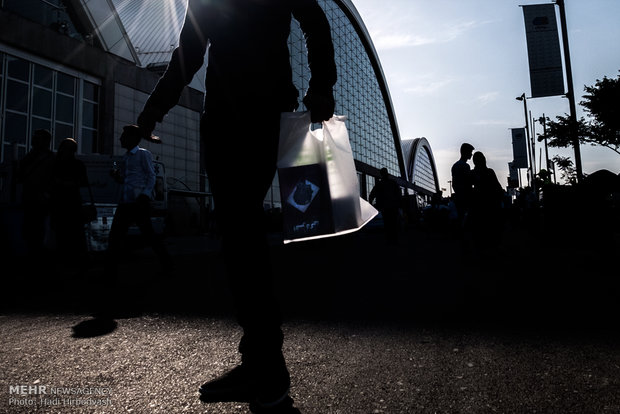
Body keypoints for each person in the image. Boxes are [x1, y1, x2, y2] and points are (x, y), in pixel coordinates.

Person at [134, 1, 336, 412]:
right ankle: (260, 362)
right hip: (246, 118)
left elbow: (189, 54)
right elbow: (189, 51)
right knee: (241, 239)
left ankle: (265, 369)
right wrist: (150, 113)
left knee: (241, 238)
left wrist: (323, 86)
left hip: (244, 119)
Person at [105, 126, 172, 281]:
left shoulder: (143, 154)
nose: (121, 139)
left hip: (138, 203)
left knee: (148, 236)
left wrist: (145, 195)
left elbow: (151, 175)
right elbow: (128, 180)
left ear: (132, 139)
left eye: (124, 136)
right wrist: (117, 178)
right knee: (115, 236)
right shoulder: (126, 157)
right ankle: (110, 272)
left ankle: (167, 264)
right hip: (126, 201)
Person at [49, 138, 90, 273]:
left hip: (70, 208)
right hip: (63, 207)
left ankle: (72, 266)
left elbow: (80, 183)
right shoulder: (58, 164)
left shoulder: (74, 165)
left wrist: (61, 183)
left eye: (65, 148)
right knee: (65, 238)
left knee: (71, 238)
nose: (62, 151)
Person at [17, 129, 55, 265]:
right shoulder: (30, 157)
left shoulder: (49, 158)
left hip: (40, 202)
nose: (34, 141)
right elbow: (20, 175)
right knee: (29, 231)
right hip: (31, 199)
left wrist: (47, 195)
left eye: (38, 138)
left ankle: (37, 259)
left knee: (37, 231)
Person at [469, 151, 505, 257]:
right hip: (491, 205)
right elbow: (497, 188)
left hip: (479, 206)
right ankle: (494, 248)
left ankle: (482, 250)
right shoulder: (489, 172)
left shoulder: (473, 173)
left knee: (481, 229)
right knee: (492, 228)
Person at [369, 167, 402, 244]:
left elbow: (372, 194)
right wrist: (398, 203)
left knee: (388, 223)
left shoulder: (380, 184)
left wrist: (371, 203)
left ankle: (390, 238)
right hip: (392, 207)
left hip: (385, 207)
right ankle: (393, 238)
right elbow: (398, 194)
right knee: (393, 223)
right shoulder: (392, 183)